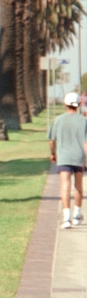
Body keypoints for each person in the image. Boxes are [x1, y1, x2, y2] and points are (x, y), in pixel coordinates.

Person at [49, 92, 87, 229]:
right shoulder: (84, 121)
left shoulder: (58, 120)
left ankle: (67, 218)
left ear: (65, 104)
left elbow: (51, 140)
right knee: (78, 185)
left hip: (64, 157)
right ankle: (77, 214)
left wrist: (53, 154)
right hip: (79, 157)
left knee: (65, 185)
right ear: (78, 105)